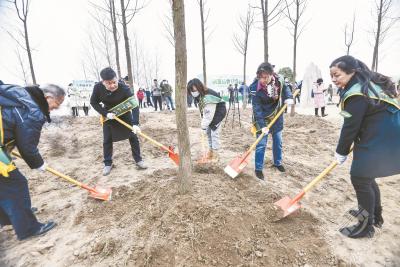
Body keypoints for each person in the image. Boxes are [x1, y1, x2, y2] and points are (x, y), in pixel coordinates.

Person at [331, 55, 400, 238]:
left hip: (382, 137)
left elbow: (350, 126)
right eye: (332, 76)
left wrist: (341, 151)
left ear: (351, 71)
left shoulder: (356, 92)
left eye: (337, 75)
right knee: (367, 177)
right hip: (386, 134)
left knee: (360, 178)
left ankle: (365, 226)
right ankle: (376, 217)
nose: (333, 79)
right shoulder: (366, 85)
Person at [0, 81, 65, 240]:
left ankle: (10, 216)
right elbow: (27, 147)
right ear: (48, 97)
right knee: (16, 183)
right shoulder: (33, 109)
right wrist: (39, 163)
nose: (56, 109)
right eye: (57, 104)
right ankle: (28, 228)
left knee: (4, 183)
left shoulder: (18, 93)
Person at [90, 67, 147, 176]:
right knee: (107, 139)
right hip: (109, 115)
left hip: (124, 113)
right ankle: (108, 163)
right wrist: (105, 113)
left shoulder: (124, 88)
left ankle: (138, 160)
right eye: (108, 83)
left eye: (114, 82)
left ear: (117, 79)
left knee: (133, 136)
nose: (112, 85)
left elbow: (134, 106)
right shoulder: (97, 88)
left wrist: (135, 123)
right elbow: (93, 102)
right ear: (103, 82)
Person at [250, 62, 294, 180]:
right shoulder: (255, 88)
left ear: (271, 74)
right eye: (260, 77)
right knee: (261, 144)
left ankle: (277, 163)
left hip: (276, 115)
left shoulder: (279, 81)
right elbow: (256, 108)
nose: (262, 80)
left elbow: (286, 89)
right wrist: (262, 125)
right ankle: (258, 168)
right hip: (262, 118)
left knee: (278, 141)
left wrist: (289, 97)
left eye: (265, 77)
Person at [187, 78, 227, 160]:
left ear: (199, 86)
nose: (193, 92)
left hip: (218, 113)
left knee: (214, 133)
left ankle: (216, 154)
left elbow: (208, 115)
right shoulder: (200, 95)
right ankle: (211, 151)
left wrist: (203, 127)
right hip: (210, 113)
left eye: (194, 90)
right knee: (208, 132)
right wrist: (204, 125)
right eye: (191, 90)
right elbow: (204, 111)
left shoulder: (208, 96)